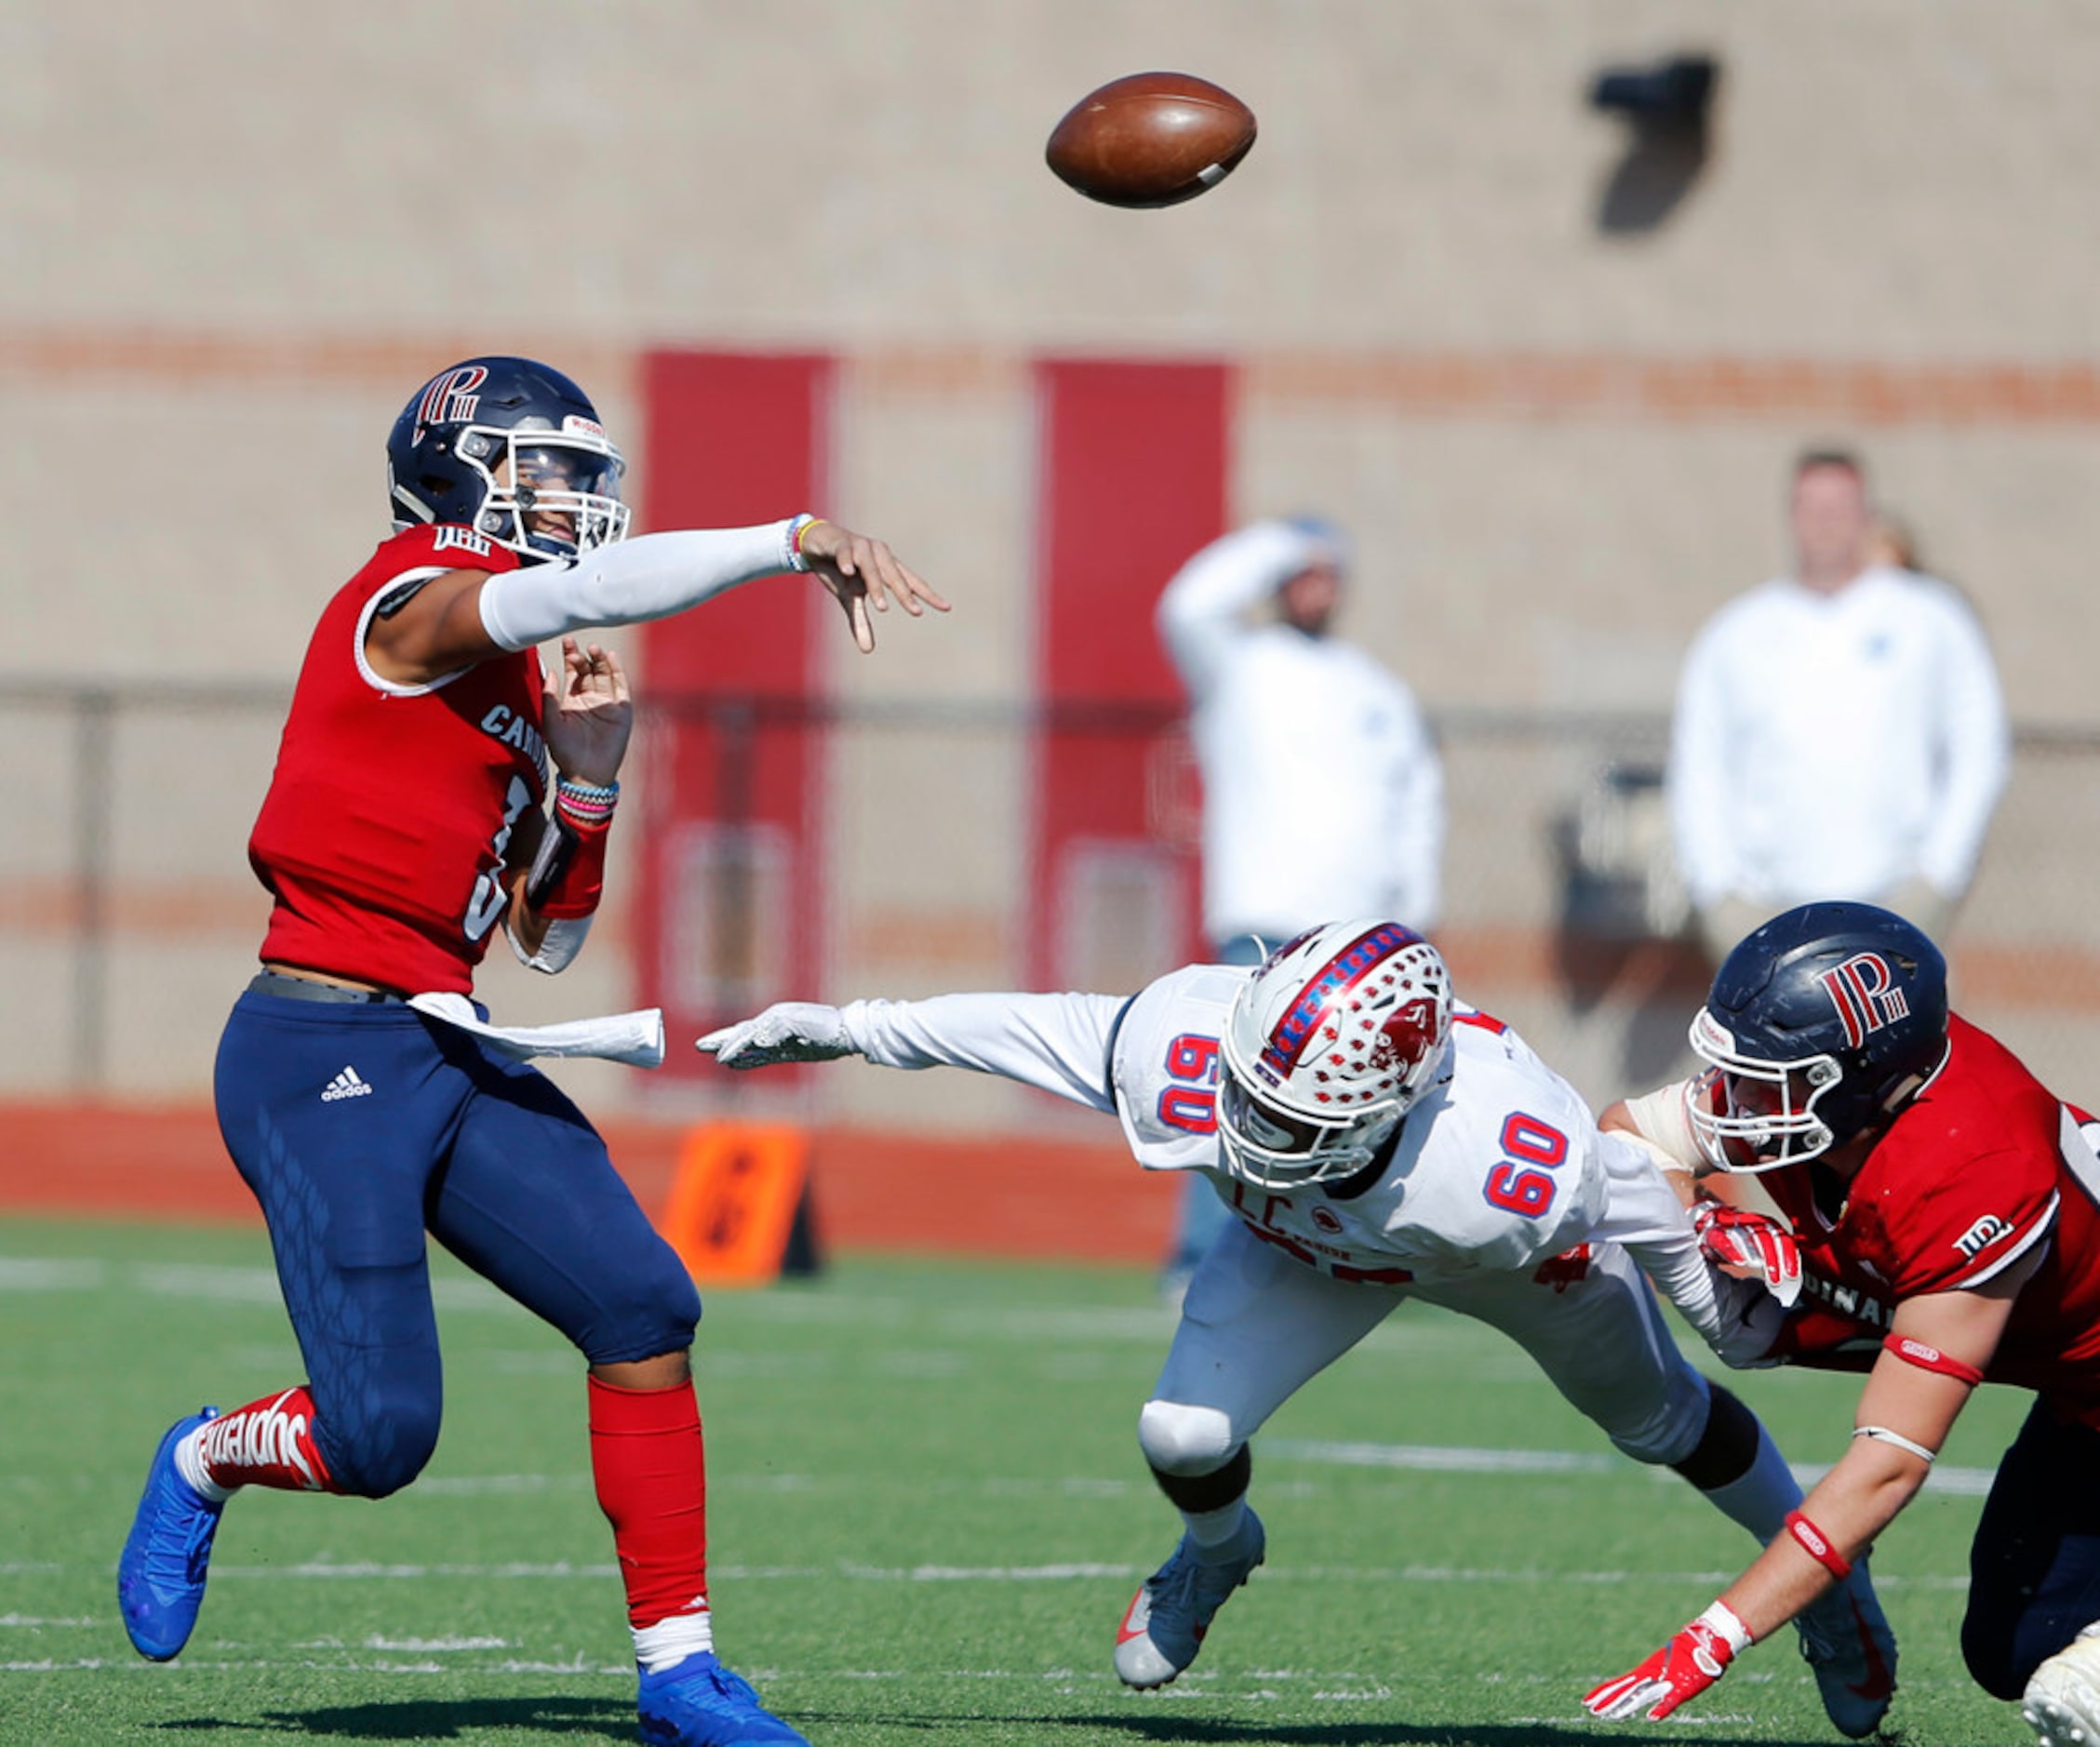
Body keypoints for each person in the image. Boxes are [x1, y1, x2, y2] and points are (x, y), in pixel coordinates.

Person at [114, 356, 948, 1747]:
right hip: (318, 1043)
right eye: (549, 468)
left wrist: (591, 770)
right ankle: (206, 1454)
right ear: (458, 467)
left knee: (643, 1307)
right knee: (380, 1439)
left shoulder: (503, 675)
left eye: (583, 475)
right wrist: (788, 539)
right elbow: (576, 592)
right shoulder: (411, 600)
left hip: (443, 1035)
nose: (576, 500)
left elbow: (547, 938)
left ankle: (678, 1669)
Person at [699, 918, 1895, 1737]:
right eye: (1249, 1099)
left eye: (1290, 1114)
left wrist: (1714, 1309)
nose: (1249, 1130)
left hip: (1508, 1266)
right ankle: (1217, 1551)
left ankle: (1823, 1585)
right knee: (1178, 1431)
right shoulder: (1197, 1040)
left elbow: (1632, 1188)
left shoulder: (1510, 1169)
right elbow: (1028, 1027)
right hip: (1308, 1245)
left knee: (1664, 1420)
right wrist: (853, 1024)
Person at [1582, 901, 2100, 1746]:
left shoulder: (1974, 1169)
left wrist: (1714, 1636)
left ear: (1865, 1081)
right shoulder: (1841, 1095)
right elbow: (1628, 1132)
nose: (1733, 1098)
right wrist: (1704, 1214)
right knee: (2014, 1651)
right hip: (2081, 1387)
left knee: (2078, 1688)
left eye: (1769, 1078)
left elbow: (1887, 1467)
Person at [1155, 519, 1444, 1290]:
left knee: (1362, 1113)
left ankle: (1346, 1262)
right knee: (1232, 1105)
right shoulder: (1236, 663)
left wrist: (1413, 908)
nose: (1313, 585)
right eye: (1298, 571)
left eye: (1325, 571)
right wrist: (1285, 539)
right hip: (1261, 921)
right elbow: (1187, 604)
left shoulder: (1375, 686)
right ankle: (1199, 1261)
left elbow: (1414, 798)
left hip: (1359, 945)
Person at [1666, 450, 2009, 964]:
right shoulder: (1737, 633)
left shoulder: (1931, 619)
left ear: (1867, 517)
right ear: (1791, 516)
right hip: (1770, 916)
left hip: (1898, 911)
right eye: (1812, 507)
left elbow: (1979, 745)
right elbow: (1699, 765)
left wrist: (1940, 875)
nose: (1826, 523)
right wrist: (1718, 893)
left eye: (1840, 507)